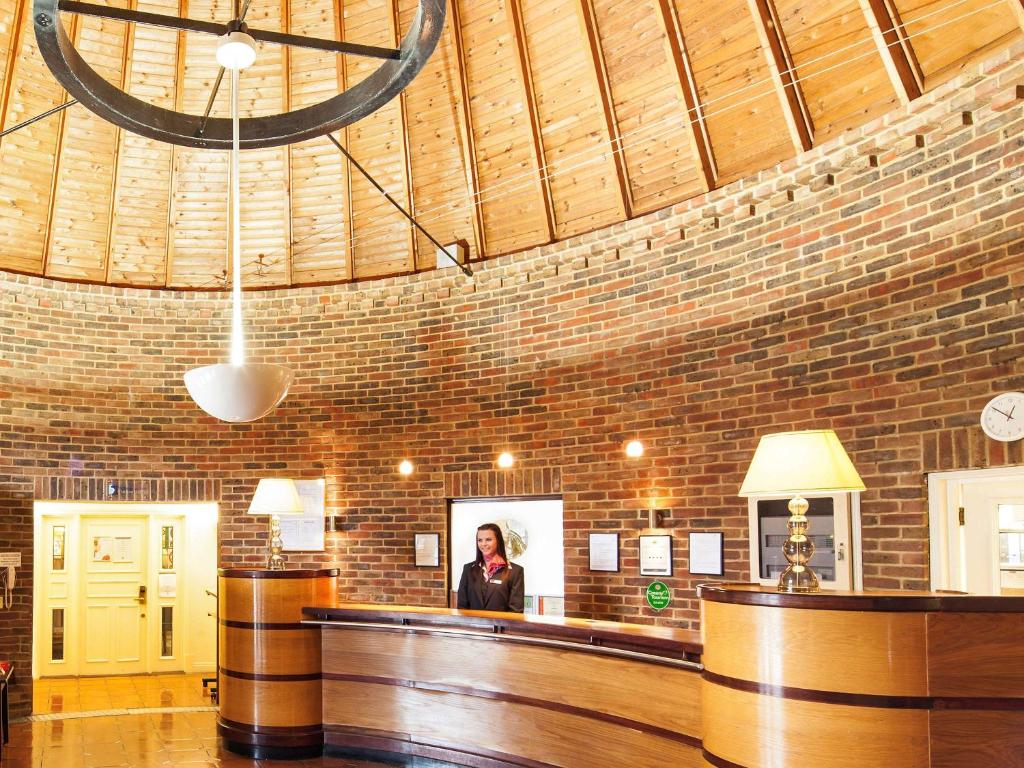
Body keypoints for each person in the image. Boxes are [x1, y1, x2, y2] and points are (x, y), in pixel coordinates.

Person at [456, 523, 525, 612]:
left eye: (488, 539)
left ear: (498, 541)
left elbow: (516, 611)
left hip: (501, 625)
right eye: (480, 540)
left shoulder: (515, 571)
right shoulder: (468, 569)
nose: (483, 544)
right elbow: (462, 606)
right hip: (474, 625)